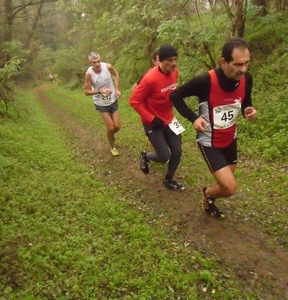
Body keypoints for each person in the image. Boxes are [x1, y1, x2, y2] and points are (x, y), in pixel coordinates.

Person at [170, 37, 257, 218]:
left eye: (247, 63)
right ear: (223, 62)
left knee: (226, 184)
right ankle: (208, 194)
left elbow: (244, 103)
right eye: (238, 64)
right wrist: (193, 118)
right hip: (209, 141)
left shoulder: (246, 79)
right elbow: (176, 96)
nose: (243, 69)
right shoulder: (206, 81)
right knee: (230, 187)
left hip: (230, 138)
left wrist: (248, 110)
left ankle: (209, 196)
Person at [129, 44, 185, 191]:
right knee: (164, 156)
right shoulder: (149, 79)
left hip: (169, 118)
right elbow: (134, 101)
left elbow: (170, 92)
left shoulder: (175, 72)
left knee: (177, 151)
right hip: (153, 122)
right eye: (169, 60)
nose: (173, 63)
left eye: (175, 59)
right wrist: (151, 119)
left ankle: (169, 179)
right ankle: (146, 156)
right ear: (159, 60)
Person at [84, 52, 122, 156]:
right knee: (110, 128)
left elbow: (116, 74)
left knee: (117, 127)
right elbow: (86, 91)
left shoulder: (107, 67)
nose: (97, 64)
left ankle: (111, 137)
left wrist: (117, 89)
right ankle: (112, 146)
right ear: (90, 63)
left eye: (98, 61)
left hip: (112, 99)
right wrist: (100, 91)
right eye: (94, 62)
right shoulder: (89, 74)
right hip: (100, 102)